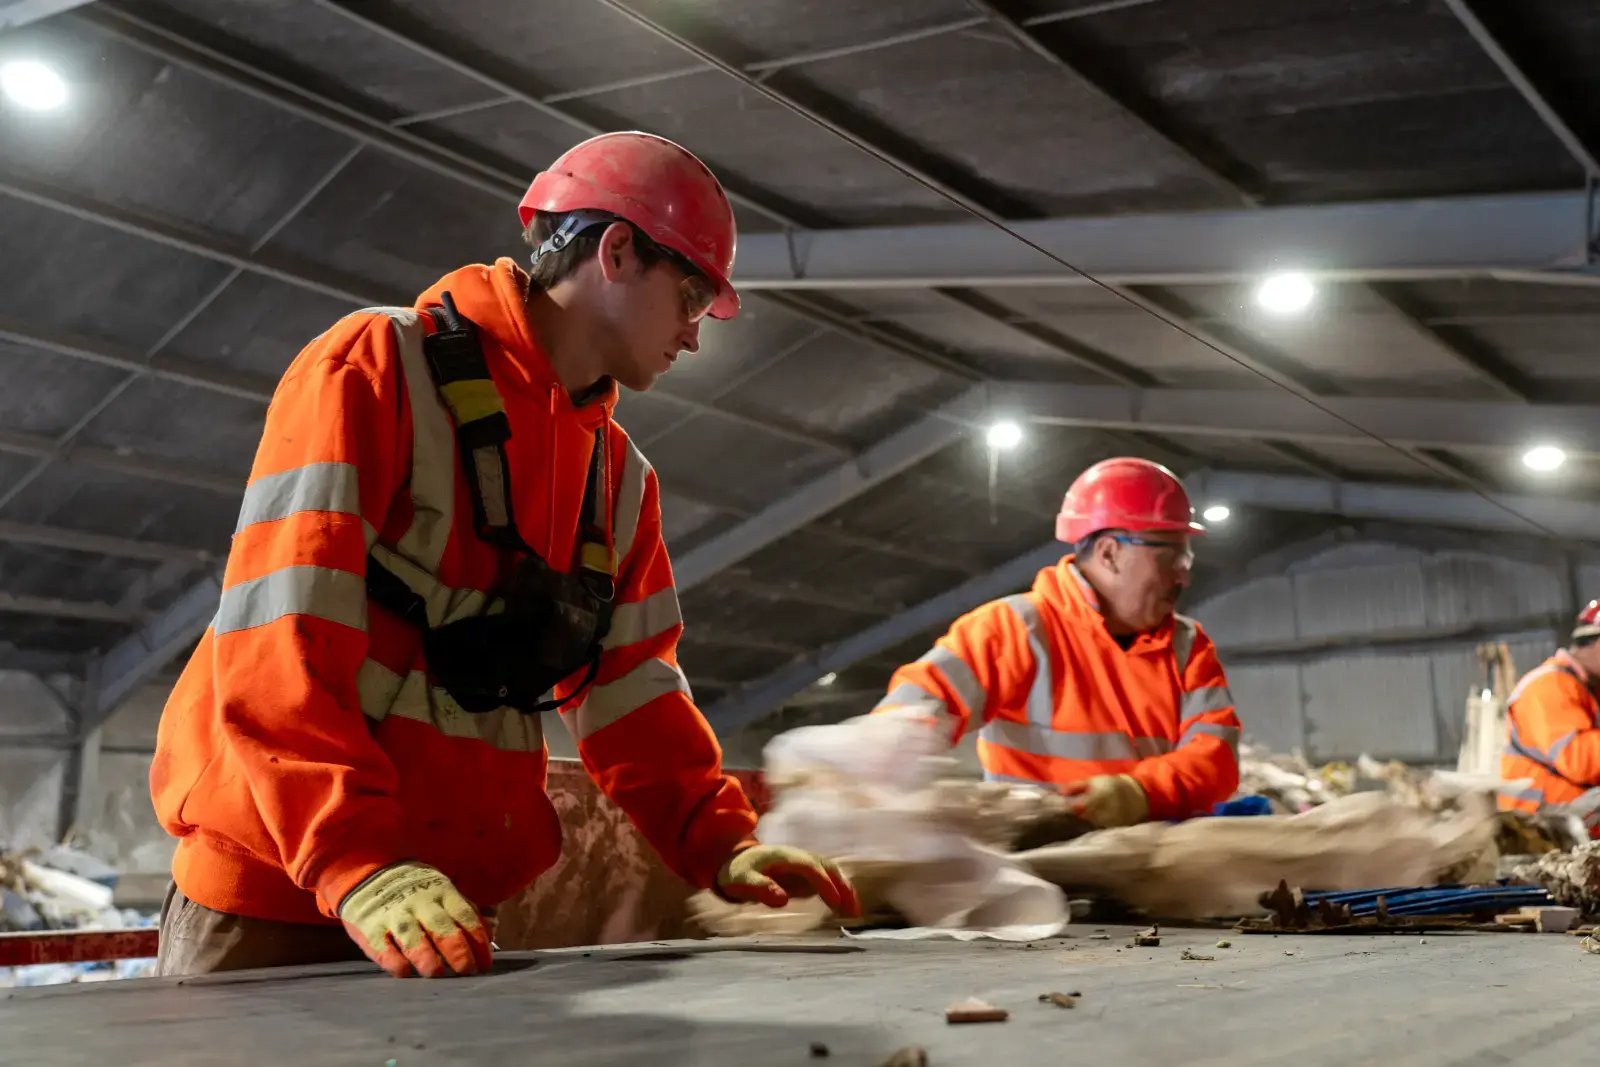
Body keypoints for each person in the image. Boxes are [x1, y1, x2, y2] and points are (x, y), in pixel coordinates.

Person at [149, 131, 857, 979]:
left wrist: (720, 842)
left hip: (444, 914)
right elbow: (279, 645)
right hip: (279, 900)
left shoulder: (619, 479)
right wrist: (355, 859)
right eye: (693, 295)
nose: (696, 336)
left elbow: (631, 691)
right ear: (620, 251)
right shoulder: (373, 367)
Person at [872, 457, 1241, 827]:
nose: (1184, 574)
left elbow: (1216, 757)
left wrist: (1139, 792)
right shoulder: (1013, 629)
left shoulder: (1188, 647)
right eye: (1171, 554)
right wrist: (871, 775)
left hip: (1152, 863)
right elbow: (911, 712)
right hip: (1037, 863)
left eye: (1186, 556)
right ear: (1110, 553)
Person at [1499, 601, 1600, 835]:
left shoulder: (1584, 687)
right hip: (1538, 831)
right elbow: (1578, 759)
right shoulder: (1548, 686)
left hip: (1569, 825)